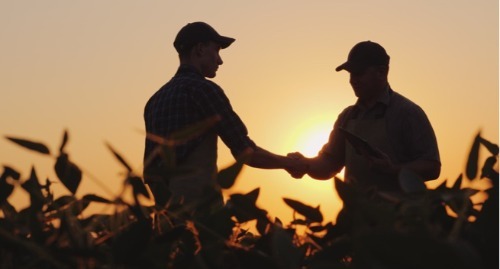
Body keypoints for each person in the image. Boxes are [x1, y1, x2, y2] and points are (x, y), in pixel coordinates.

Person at [143, 22, 299, 208]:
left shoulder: (154, 101)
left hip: (166, 223)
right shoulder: (204, 90)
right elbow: (246, 152)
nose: (219, 60)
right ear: (200, 49)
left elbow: (150, 173)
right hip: (201, 219)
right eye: (216, 50)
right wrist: (291, 163)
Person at [288, 41, 441, 192]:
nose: (353, 80)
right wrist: (305, 164)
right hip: (355, 215)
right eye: (351, 74)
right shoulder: (347, 117)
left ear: (382, 72)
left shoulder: (408, 113)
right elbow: (329, 165)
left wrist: (393, 169)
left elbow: (432, 168)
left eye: (359, 73)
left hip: (397, 215)